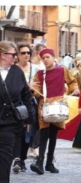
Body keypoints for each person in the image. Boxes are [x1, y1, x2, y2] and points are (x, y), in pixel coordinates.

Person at [29, 48, 80, 175]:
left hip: (58, 105)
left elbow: (72, 81)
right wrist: (33, 89)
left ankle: (49, 163)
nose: (46, 60)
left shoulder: (62, 70)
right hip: (44, 106)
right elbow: (37, 91)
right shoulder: (40, 74)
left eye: (48, 57)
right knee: (44, 133)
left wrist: (75, 90)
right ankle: (40, 162)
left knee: (53, 135)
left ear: (53, 57)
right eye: (43, 58)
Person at [0, 40, 36, 183]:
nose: (15, 58)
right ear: (2, 55)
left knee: (5, 153)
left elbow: (26, 96)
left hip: (10, 121)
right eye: (13, 54)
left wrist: (29, 119)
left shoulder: (17, 72)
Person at [11, 43, 40, 173]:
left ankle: (22, 158)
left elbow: (38, 88)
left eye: (28, 52)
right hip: (15, 104)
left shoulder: (35, 69)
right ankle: (17, 159)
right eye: (23, 53)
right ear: (17, 55)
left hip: (29, 103)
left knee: (29, 134)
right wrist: (28, 85)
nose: (26, 55)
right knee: (17, 133)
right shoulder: (13, 69)